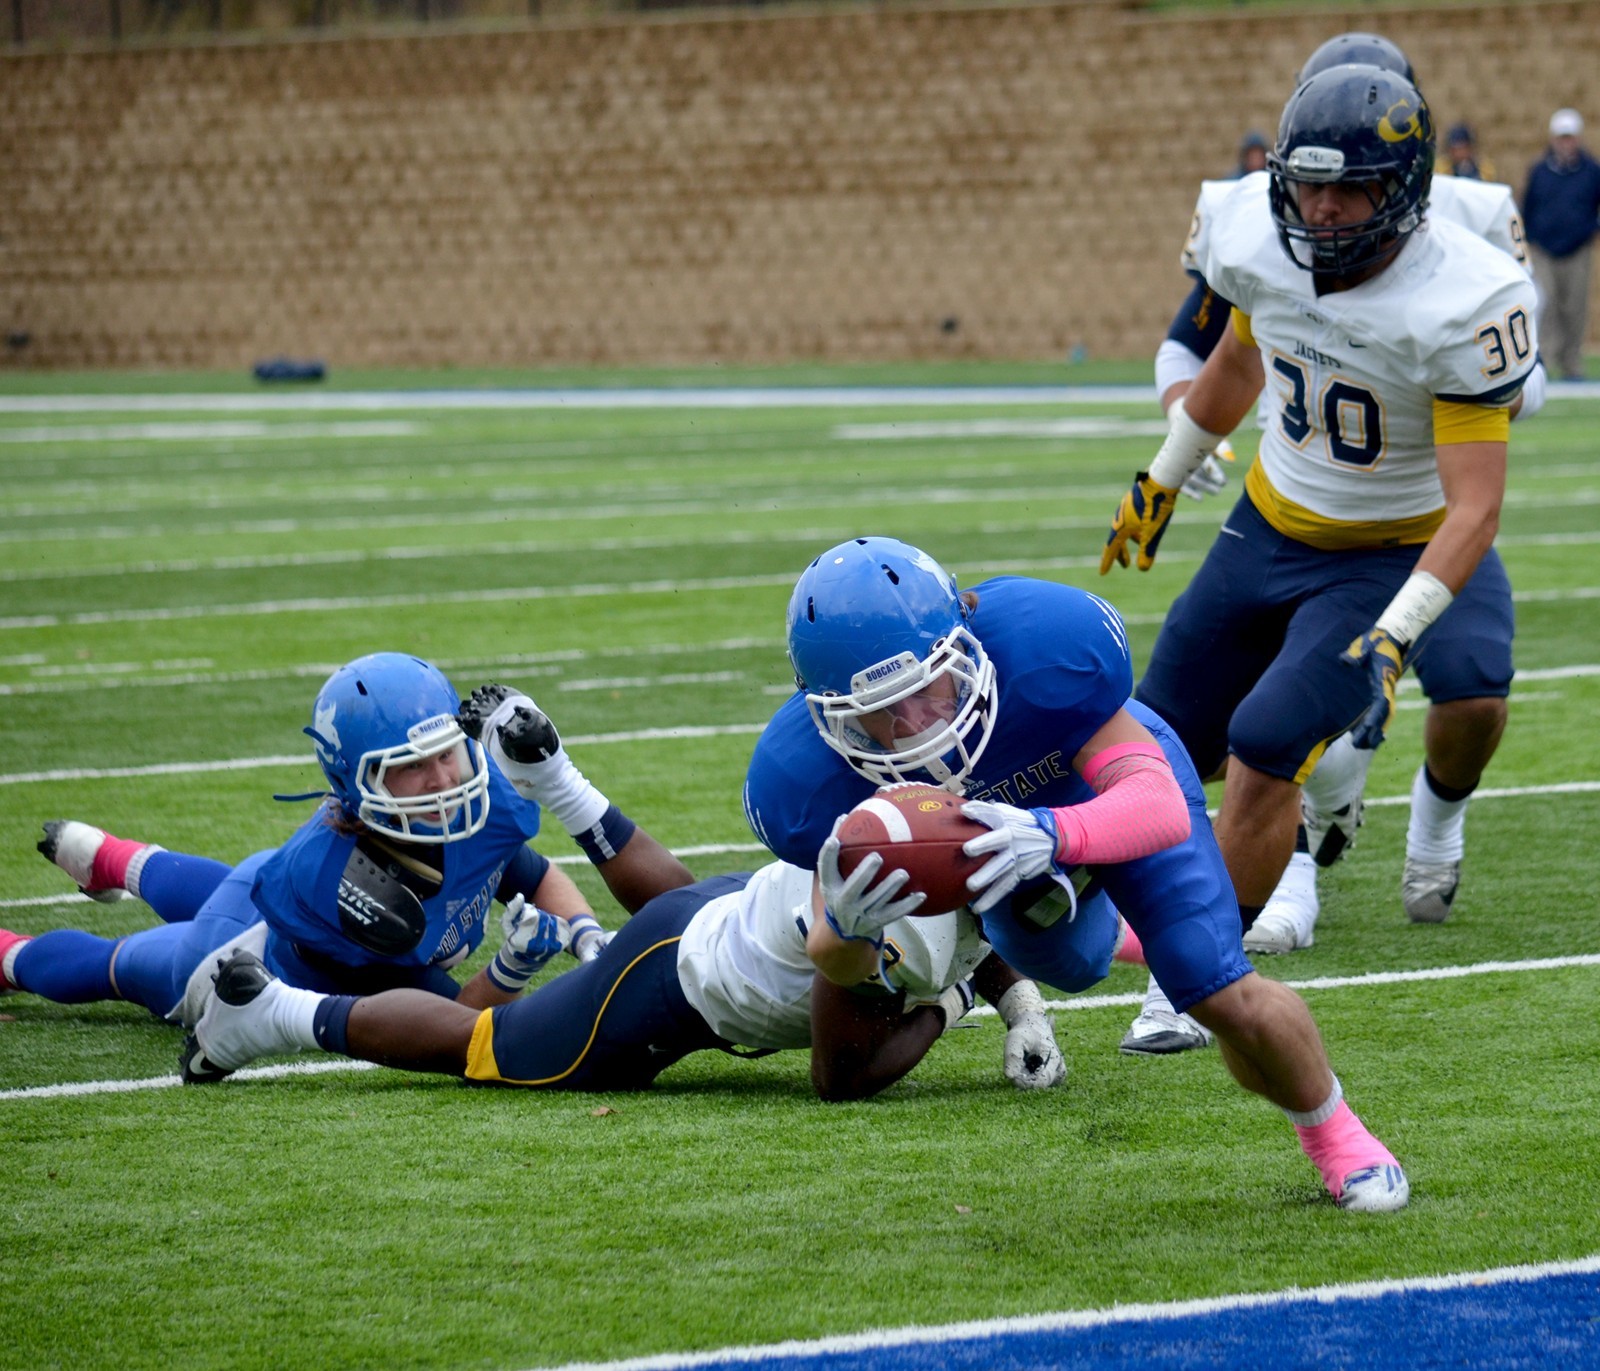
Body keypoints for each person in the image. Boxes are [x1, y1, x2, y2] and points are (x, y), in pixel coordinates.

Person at [743, 535, 1409, 1212]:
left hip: (1104, 799)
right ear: (829, 716)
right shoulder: (805, 781)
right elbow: (836, 957)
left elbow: (1157, 807)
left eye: (927, 686)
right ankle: (1122, 923)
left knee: (1213, 986)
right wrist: (853, 930)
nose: (917, 723)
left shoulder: (1043, 650)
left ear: (964, 644)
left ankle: (1340, 1139)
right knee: (1068, 961)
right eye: (882, 711)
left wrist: (1053, 832)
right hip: (1007, 863)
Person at [1102, 64, 1535, 1059]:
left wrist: (1398, 633)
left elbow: (1475, 508)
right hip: (1263, 527)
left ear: (1405, 188)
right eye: (1307, 184)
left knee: (1261, 745)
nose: (1323, 208)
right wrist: (1162, 478)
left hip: (1377, 558)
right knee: (1156, 740)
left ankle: (1187, 977)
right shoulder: (1254, 237)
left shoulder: (1463, 298)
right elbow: (1236, 365)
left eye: (1350, 188)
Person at [180, 684, 1067, 1101]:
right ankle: (270, 1016)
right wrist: (949, 1002)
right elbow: (843, 1074)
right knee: (483, 1046)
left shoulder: (958, 842)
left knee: (698, 913)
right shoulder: (917, 926)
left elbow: (972, 914)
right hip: (677, 983)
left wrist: (1019, 1003)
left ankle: (559, 779)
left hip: (719, 912)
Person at [1, 653, 618, 1023]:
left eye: (446, 753)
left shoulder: (467, 802)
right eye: (408, 767)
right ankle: (13, 955)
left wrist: (586, 933)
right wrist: (510, 969)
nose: (441, 780)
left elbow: (533, 874)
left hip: (259, 881)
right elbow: (446, 1019)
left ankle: (109, 858)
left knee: (227, 885)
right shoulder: (355, 891)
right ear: (354, 779)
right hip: (236, 959)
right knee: (119, 965)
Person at [1523, 108, 1600, 381]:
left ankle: (1571, 362)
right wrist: (1531, 238)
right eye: (1562, 137)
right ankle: (1544, 358)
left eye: (1570, 137)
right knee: (1547, 303)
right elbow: (1528, 205)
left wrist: (1590, 230)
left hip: (1578, 249)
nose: (1566, 143)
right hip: (1544, 248)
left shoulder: (1591, 171)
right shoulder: (1540, 170)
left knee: (1575, 306)